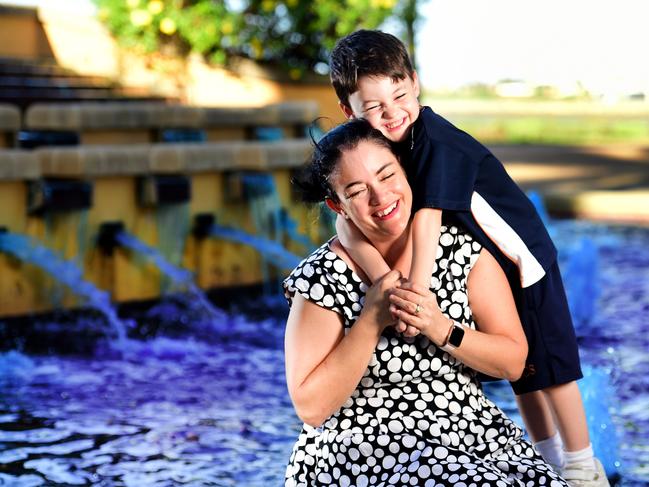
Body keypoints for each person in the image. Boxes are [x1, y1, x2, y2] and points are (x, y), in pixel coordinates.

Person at [327, 29, 609, 487]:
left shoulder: (436, 141)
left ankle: (581, 465)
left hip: (525, 261)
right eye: (374, 107)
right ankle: (545, 459)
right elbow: (345, 225)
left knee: (552, 368)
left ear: (415, 83)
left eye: (399, 96)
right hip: (491, 266)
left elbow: (427, 220)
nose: (391, 112)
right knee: (524, 378)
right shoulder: (383, 148)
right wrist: (383, 278)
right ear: (350, 111)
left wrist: (416, 295)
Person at [283, 118, 569, 486]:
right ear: (337, 206)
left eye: (386, 175)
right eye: (356, 191)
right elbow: (311, 406)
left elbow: (513, 362)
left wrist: (441, 327)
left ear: (405, 168)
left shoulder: (463, 252)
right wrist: (371, 319)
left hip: (473, 438)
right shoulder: (323, 277)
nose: (380, 197)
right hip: (363, 451)